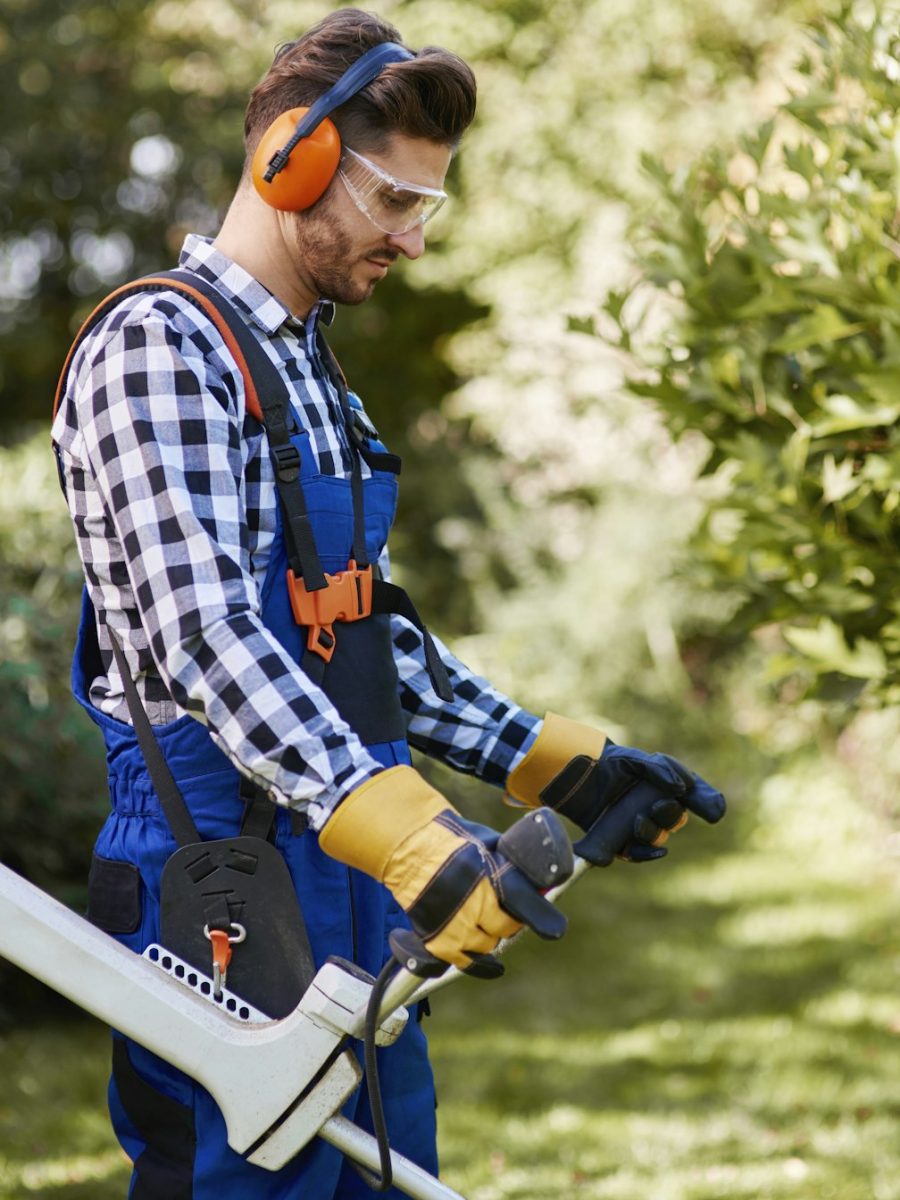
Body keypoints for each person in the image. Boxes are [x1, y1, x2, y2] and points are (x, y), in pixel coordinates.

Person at [51, 9, 725, 1198]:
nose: (414, 239)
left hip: (352, 851)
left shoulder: (310, 371)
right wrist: (410, 832)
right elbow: (209, 633)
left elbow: (357, 633)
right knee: (245, 1177)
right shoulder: (162, 347)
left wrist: (558, 764)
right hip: (220, 868)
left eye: (429, 207)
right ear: (289, 161)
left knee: (381, 1176)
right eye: (394, 201)